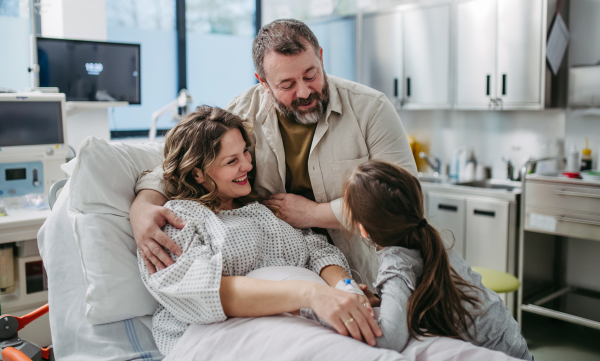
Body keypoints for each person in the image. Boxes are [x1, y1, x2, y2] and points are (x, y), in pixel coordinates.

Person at [130, 19, 416, 341]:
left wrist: (323, 240)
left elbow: (402, 202)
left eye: (311, 75)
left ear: (321, 57)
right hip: (262, 326)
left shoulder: (370, 109)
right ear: (263, 82)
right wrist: (141, 208)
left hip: (360, 277)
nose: (305, 91)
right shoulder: (187, 218)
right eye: (287, 84)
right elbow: (178, 164)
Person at [140, 106, 380, 355]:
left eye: (245, 151)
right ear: (197, 173)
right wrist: (312, 294)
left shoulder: (264, 210)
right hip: (221, 334)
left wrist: (345, 289)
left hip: (303, 319)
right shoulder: (178, 220)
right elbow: (204, 290)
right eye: (232, 161)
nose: (246, 164)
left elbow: (319, 252)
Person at [338, 160, 532, 360]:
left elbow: (389, 340)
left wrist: (336, 315)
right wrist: (381, 302)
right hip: (513, 342)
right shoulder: (427, 239)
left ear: (363, 229)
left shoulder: (396, 265)